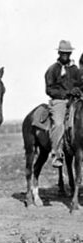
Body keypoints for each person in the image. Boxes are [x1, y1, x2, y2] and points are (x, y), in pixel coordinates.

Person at [45, 40, 81, 168]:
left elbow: (80, 83)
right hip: (60, 101)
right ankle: (56, 154)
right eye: (63, 53)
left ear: (70, 53)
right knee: (59, 123)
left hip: (75, 100)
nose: (66, 55)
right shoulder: (53, 69)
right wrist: (65, 93)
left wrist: (78, 89)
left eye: (68, 53)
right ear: (59, 53)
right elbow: (49, 89)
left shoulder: (75, 69)